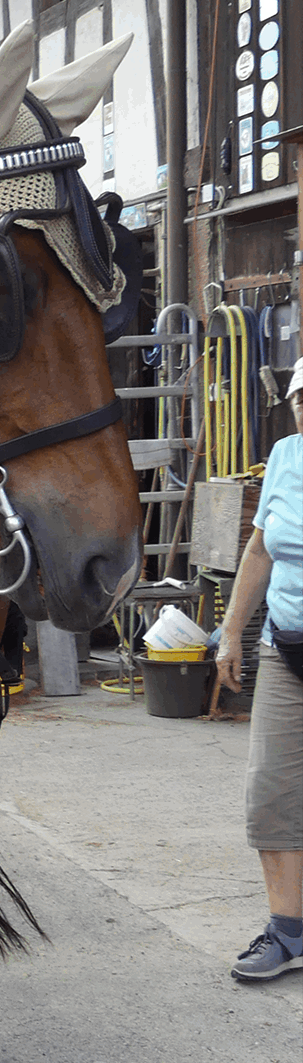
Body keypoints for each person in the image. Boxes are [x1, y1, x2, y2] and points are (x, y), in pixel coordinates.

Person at [217, 354, 303, 981]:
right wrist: (228, 635)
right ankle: (288, 932)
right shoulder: (284, 458)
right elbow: (258, 548)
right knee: (270, 793)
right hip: (284, 648)